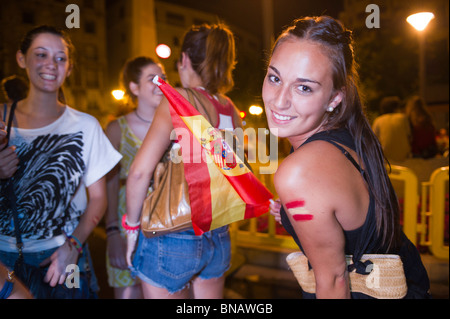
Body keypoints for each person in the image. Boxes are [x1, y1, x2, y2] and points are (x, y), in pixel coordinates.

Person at [265, 16, 430, 299]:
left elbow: (333, 280)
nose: (279, 100)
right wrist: (292, 217)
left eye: (304, 87)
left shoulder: (299, 172)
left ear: (334, 99)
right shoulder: (349, 135)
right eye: (275, 78)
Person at [0, 25, 121, 298]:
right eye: (41, 54)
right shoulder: (1, 121)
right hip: (4, 260)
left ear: (69, 67)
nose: (51, 65)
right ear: (22, 59)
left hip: (65, 257)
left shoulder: (86, 126)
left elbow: (99, 198)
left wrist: (73, 246)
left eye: (60, 58)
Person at [125, 23, 243, 299]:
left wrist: (131, 228)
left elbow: (140, 173)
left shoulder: (177, 101)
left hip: (173, 233)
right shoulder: (230, 108)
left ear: (185, 60)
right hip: (218, 233)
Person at [105, 56, 167, 299]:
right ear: (134, 87)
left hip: (167, 228)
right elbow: (108, 183)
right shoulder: (116, 128)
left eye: (163, 78)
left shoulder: (177, 126)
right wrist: (112, 233)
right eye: (151, 79)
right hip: (126, 224)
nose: (160, 83)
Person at [372, 96, 411, 163]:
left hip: (386, 157)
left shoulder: (378, 120)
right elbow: (409, 136)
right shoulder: (403, 117)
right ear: (395, 108)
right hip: (403, 157)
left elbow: (373, 140)